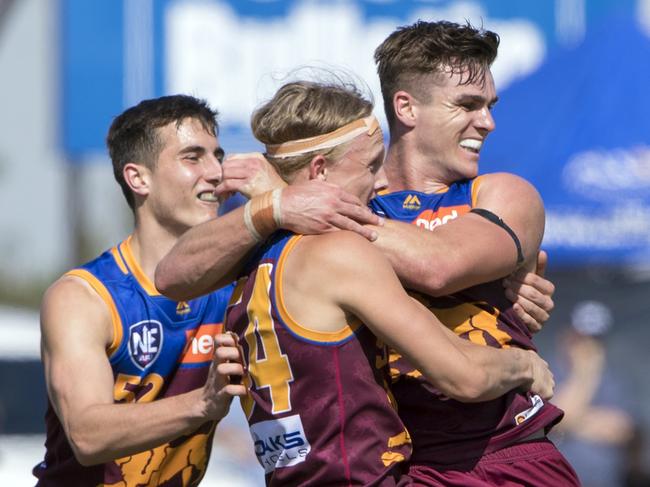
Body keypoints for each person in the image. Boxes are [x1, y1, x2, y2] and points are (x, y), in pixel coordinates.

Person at [33, 94, 383, 486]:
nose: (216, 172)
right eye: (192, 157)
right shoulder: (84, 297)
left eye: (217, 155)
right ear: (138, 178)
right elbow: (86, 434)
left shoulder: (238, 283)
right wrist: (203, 402)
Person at [225, 79, 554, 485]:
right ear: (320, 171)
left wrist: (274, 200)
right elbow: (463, 374)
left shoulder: (237, 260)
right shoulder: (339, 255)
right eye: (368, 166)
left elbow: (172, 274)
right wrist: (523, 363)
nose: (379, 182)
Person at [365, 20, 579, 484]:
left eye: (488, 106)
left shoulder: (502, 193)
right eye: (467, 104)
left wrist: (320, 219)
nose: (487, 122)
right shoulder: (350, 202)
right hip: (400, 466)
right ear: (407, 107)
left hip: (510, 459)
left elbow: (440, 266)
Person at [552, 301, 635, 487]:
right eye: (581, 339)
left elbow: (621, 429)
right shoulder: (548, 372)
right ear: (566, 336)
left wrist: (573, 420)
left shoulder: (615, 378)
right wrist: (584, 374)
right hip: (560, 481)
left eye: (595, 341)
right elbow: (557, 419)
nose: (588, 347)